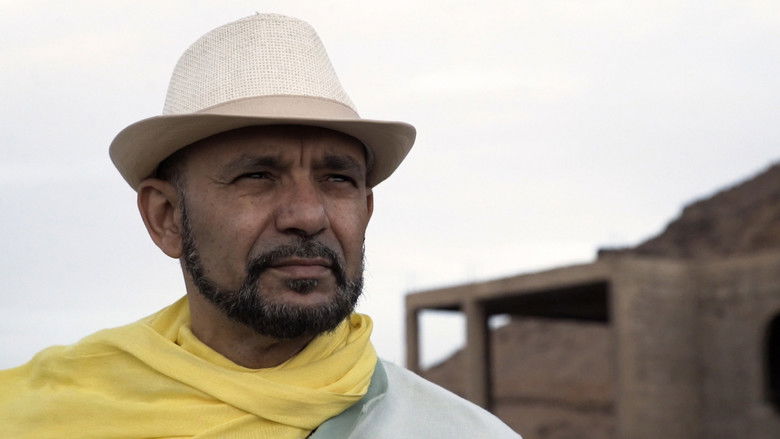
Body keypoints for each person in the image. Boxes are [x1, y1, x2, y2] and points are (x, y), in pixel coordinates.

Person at [0, 13, 520, 438]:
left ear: (366, 210)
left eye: (337, 179)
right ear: (166, 217)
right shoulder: (36, 414)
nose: (308, 216)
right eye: (257, 176)